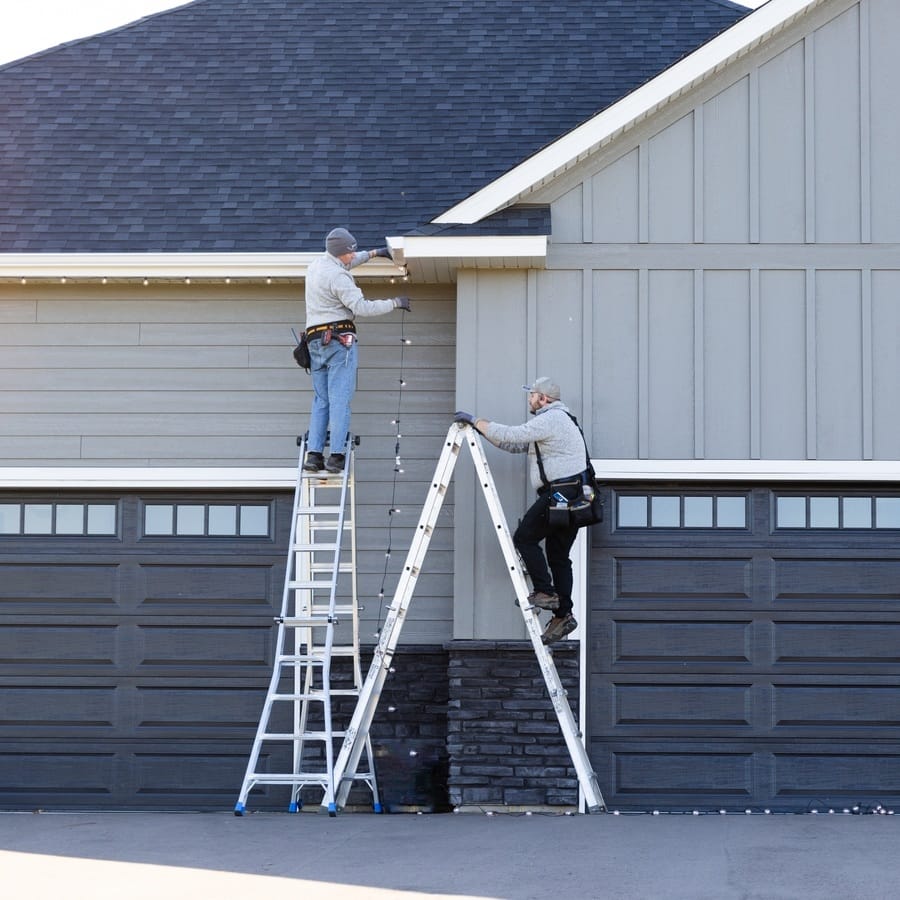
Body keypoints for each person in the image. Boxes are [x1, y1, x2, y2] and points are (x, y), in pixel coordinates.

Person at [454, 378, 589, 645]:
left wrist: (474, 419)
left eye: (532, 395)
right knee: (559, 556)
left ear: (544, 399)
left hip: (560, 492)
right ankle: (563, 615)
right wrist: (482, 430)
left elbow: (512, 435)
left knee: (524, 538)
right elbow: (514, 445)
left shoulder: (553, 418)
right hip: (573, 494)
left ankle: (545, 592)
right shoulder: (558, 421)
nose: (529, 400)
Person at [302, 227, 410, 473]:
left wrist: (374, 253)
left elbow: (347, 262)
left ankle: (314, 455)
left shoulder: (317, 266)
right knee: (340, 399)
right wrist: (395, 303)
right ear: (341, 253)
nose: (353, 256)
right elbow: (362, 307)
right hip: (339, 340)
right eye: (350, 252)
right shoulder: (339, 278)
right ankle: (337, 456)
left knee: (321, 400)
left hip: (314, 342)